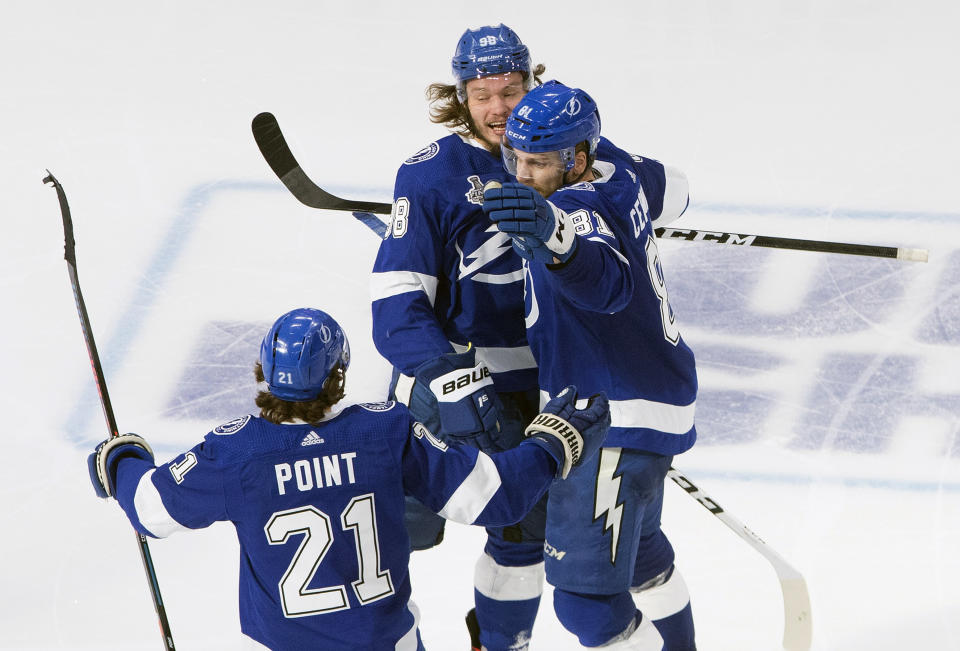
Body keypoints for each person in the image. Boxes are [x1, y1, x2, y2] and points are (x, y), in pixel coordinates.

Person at [87, 307, 611, 650]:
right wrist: (548, 445)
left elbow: (149, 512)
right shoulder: (385, 431)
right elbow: (492, 498)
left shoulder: (236, 452)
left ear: (263, 370)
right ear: (338, 375)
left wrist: (122, 459)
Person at [481, 81, 698, 650]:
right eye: (516, 158)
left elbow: (605, 283)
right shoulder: (620, 169)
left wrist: (553, 237)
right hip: (654, 396)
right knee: (643, 556)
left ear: (577, 160)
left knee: (586, 600)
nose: (522, 175)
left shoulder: (574, 211)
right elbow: (677, 190)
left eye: (538, 163)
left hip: (610, 415)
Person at [370, 24, 551, 651]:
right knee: (387, 533)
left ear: (531, 83)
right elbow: (395, 303)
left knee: (522, 536)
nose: (498, 107)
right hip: (441, 395)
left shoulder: (565, 147)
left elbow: (631, 187)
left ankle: (502, 642)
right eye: (482, 95)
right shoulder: (430, 178)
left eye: (510, 90)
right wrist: (441, 372)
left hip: (535, 393)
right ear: (462, 97)